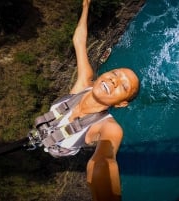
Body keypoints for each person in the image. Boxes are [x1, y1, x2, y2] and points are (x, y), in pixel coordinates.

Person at [63, 0, 139, 200]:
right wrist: (86, 7)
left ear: (122, 103)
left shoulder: (108, 128)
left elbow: (104, 160)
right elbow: (79, 41)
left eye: (123, 86)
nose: (114, 79)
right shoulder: (83, 83)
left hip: (56, 151)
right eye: (115, 73)